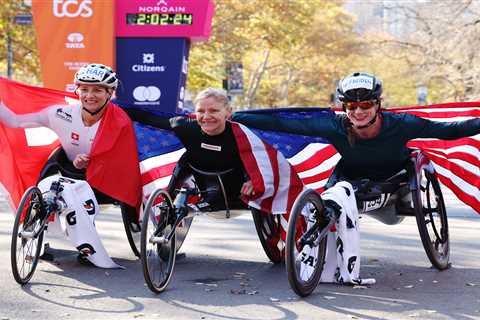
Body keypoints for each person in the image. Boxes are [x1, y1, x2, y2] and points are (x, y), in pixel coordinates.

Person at [231, 71, 480, 284]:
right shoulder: (334, 126)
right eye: (351, 106)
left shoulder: (402, 124)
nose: (358, 112)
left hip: (394, 179)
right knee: (324, 209)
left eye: (366, 105)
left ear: (377, 105)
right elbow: (282, 124)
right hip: (350, 178)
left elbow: (451, 131)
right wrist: (235, 118)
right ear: (343, 107)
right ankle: (316, 253)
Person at [0, 63, 141, 268]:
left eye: (98, 90)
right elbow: (14, 121)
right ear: (77, 90)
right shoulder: (59, 114)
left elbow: (124, 161)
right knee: (41, 184)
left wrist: (95, 162)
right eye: (84, 89)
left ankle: (87, 245)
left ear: (110, 93)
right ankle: (37, 231)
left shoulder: (121, 121)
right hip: (67, 170)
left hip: (105, 181)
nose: (90, 95)